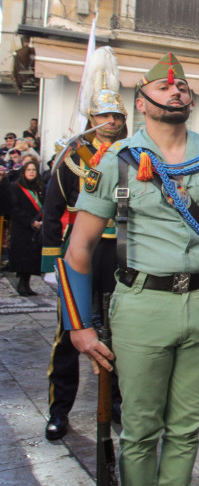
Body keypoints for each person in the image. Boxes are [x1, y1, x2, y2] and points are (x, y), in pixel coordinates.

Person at [59, 53, 199, 486]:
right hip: (142, 305)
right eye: (163, 87)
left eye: (182, 86)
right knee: (140, 431)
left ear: (192, 99)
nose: (175, 90)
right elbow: (79, 249)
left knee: (186, 429)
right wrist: (79, 326)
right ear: (140, 102)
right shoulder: (116, 161)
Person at [40, 49, 128, 441]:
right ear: (91, 120)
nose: (111, 122)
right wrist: (47, 265)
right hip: (77, 252)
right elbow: (53, 207)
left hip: (118, 253)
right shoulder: (72, 156)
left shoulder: (132, 156)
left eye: (116, 116)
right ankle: (59, 410)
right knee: (68, 334)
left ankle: (120, 404)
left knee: (120, 332)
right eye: (104, 116)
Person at [9, 159, 45, 295]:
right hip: (22, 228)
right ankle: (21, 285)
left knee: (32, 258)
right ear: (24, 172)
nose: (31, 172)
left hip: (36, 229)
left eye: (34, 170)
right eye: (29, 170)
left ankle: (27, 284)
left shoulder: (39, 187)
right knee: (22, 258)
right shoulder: (17, 187)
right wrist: (30, 221)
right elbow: (14, 208)